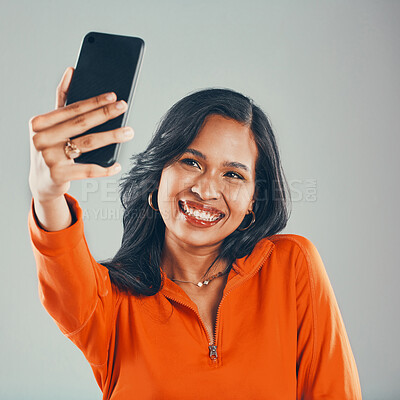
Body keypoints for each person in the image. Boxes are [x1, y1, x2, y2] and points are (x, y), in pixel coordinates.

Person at [28, 67, 362, 399]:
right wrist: (47, 194)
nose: (205, 190)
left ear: (253, 199)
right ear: (159, 173)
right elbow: (63, 265)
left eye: (232, 174)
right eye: (191, 162)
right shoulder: (110, 301)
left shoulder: (291, 266)